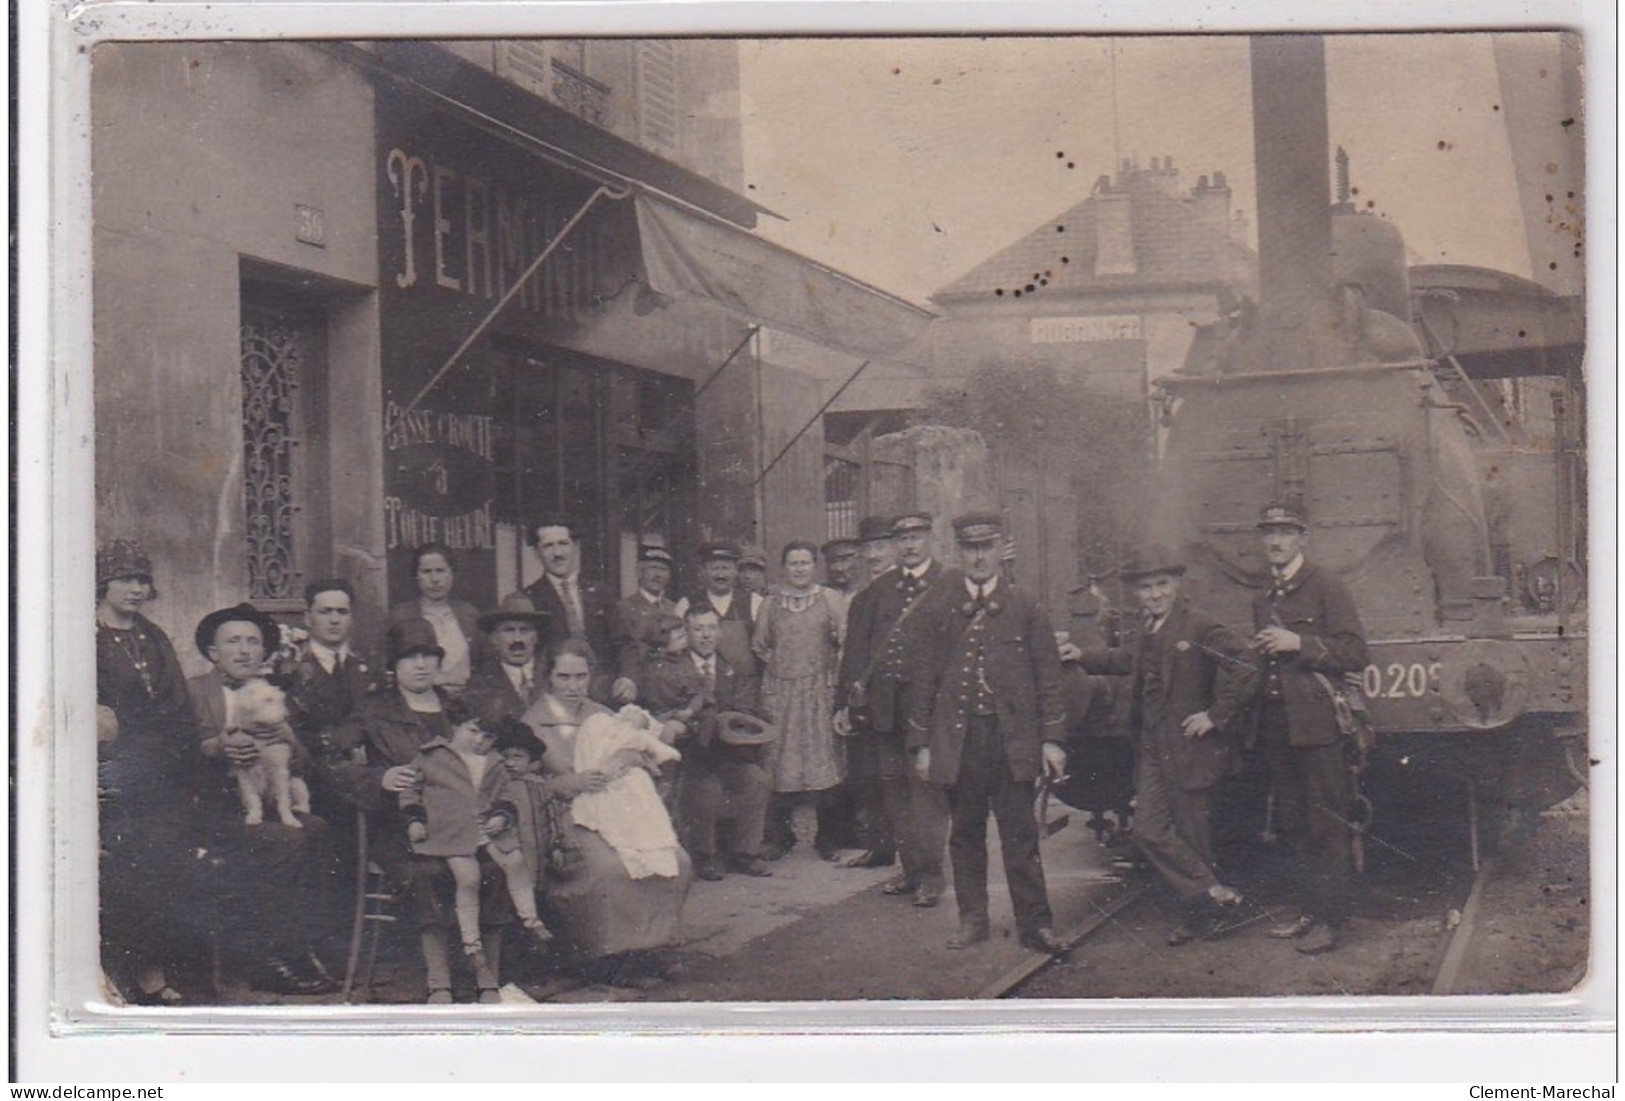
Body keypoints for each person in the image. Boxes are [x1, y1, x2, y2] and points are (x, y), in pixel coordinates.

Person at [1065, 545, 1255, 946]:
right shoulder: (1146, 630)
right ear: (1137, 593)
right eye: (1147, 588)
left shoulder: (1198, 626)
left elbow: (1245, 661)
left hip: (1189, 744)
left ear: (1177, 585)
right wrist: (1081, 655)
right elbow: (1124, 661)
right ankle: (1212, 892)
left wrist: (1216, 716)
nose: (1155, 594)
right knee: (1149, 830)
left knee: (1194, 832)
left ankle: (1203, 915)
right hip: (1152, 744)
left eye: (1162, 585)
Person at [902, 512, 1070, 955]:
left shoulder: (1026, 606)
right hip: (960, 741)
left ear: (1000, 549)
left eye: (987, 547)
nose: (979, 557)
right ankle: (972, 920)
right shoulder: (938, 610)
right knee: (966, 833)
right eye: (970, 548)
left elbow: (1048, 678)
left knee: (1020, 834)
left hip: (1011, 740)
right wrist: (921, 746)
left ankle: (1036, 925)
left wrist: (1051, 739)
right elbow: (924, 681)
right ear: (959, 552)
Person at [331, 618, 516, 1004]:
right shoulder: (373, 710)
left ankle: (487, 979)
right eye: (410, 657)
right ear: (393, 665)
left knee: (496, 871)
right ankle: (440, 982)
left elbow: (489, 754)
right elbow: (332, 763)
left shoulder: (457, 708)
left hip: (460, 824)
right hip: (402, 825)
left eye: (429, 656)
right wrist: (379, 778)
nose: (421, 665)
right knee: (428, 874)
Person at [520, 638, 693, 985]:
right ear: (548, 677)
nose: (573, 686)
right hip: (566, 816)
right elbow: (525, 782)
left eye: (581, 677)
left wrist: (626, 759)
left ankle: (648, 948)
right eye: (564, 677)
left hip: (618, 808)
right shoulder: (533, 723)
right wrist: (571, 782)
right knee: (611, 868)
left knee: (677, 859)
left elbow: (636, 750)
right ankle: (609, 957)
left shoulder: (600, 713)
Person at [186, 603, 337, 995]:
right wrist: (216, 746)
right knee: (285, 840)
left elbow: (303, 764)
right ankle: (267, 955)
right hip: (212, 809)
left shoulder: (277, 694)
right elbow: (172, 752)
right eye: (233, 641)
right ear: (212, 650)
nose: (244, 650)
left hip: (270, 804)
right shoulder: (192, 692)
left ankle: (299, 943)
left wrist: (286, 734)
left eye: (253, 642)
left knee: (316, 829)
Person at [1249, 503, 1369, 955]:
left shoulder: (1326, 586)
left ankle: (1331, 921)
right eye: (1269, 533)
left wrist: (1300, 643)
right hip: (1279, 725)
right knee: (1294, 823)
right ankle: (1309, 911)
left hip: (1319, 725)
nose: (1275, 541)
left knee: (1328, 822)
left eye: (1285, 532)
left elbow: (1356, 652)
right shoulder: (1264, 598)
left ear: (1303, 537)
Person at [95, 540, 200, 1005]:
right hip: (112, 774)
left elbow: (178, 704)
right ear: (104, 583)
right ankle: (117, 974)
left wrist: (182, 767)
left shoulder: (153, 637)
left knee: (162, 872)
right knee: (121, 875)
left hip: (161, 775)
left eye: (142, 581)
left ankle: (153, 970)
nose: (136, 590)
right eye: (125, 580)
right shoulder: (87, 637)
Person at [835, 512, 952, 907]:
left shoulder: (949, 586)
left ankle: (933, 876)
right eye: (903, 539)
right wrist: (846, 705)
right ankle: (912, 869)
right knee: (895, 794)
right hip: (886, 710)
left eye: (917, 537)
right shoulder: (878, 592)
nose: (910, 545)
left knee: (926, 793)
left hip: (930, 711)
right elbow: (857, 653)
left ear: (930, 540)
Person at [400, 711, 554, 963]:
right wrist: (415, 819)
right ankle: (471, 943)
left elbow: (506, 794)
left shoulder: (493, 762)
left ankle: (531, 919)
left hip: (485, 827)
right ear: (455, 727)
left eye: (488, 737)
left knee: (515, 860)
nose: (478, 741)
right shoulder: (431, 756)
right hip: (450, 830)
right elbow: (410, 790)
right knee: (469, 878)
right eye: (472, 731)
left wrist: (501, 816)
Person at [644, 605, 775, 881]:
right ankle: (705, 855)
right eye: (698, 629)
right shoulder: (671, 667)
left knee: (757, 780)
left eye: (711, 628)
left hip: (727, 751)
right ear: (687, 632)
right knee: (707, 788)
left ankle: (745, 852)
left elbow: (745, 707)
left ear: (720, 631)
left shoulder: (732, 667)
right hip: (688, 755)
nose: (706, 635)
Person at [753, 540, 847, 861]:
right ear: (784, 567)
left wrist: (823, 675)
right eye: (793, 563)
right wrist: (782, 671)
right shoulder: (771, 602)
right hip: (781, 693)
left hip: (819, 691)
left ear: (814, 566)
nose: (799, 569)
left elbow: (843, 641)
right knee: (779, 762)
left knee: (824, 762)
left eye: (805, 563)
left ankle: (828, 837)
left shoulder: (830, 599)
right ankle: (781, 836)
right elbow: (761, 644)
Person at [518, 520, 634, 705]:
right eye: (548, 546)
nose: (557, 553)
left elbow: (625, 643)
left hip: (607, 695)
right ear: (537, 553)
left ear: (576, 546)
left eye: (563, 544)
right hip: (556, 697)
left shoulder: (601, 593)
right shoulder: (528, 599)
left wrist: (627, 679)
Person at [387, 543, 486, 697]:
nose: (435, 579)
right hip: (421, 699)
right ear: (416, 576)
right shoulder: (401, 615)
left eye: (440, 571)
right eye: (426, 571)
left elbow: (485, 663)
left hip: (467, 701)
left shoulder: (469, 614)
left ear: (451, 574)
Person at [462, 592, 551, 728]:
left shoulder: (554, 676)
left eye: (525, 630)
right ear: (494, 639)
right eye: (509, 630)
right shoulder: (478, 685)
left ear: (536, 637)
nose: (517, 639)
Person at [675, 542, 757, 677]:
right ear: (703, 571)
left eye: (726, 568)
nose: (721, 575)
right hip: (701, 685)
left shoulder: (754, 601)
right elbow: (678, 650)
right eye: (715, 568)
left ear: (736, 571)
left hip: (743, 687)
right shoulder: (686, 604)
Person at [611, 545, 678, 699]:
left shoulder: (675, 608)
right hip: (640, 685)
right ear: (639, 572)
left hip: (670, 686)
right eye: (652, 568)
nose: (657, 575)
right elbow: (627, 650)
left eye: (663, 570)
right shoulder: (624, 608)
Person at [736, 545, 770, 624]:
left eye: (753, 570)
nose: (747, 576)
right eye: (742, 570)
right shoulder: (733, 604)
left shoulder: (772, 602)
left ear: (763, 573)